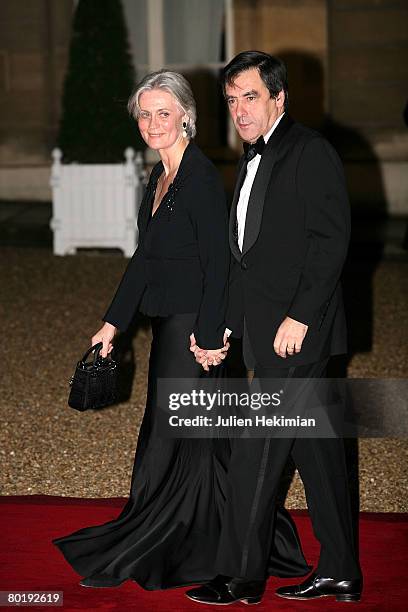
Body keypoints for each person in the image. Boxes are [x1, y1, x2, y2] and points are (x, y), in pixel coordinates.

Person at [52, 70, 309, 590]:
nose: (151, 123)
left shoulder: (198, 179)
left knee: (180, 433)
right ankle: (230, 534)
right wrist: (111, 325)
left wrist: (212, 337)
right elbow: (145, 259)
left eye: (162, 113)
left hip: (195, 328)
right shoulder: (159, 177)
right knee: (199, 437)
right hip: (172, 323)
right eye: (144, 113)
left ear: (185, 116)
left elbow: (219, 266)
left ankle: (177, 540)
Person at [187, 52, 363, 605]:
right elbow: (247, 258)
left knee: (254, 451)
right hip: (265, 329)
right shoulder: (250, 158)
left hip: (298, 334)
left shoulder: (310, 151)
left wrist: (301, 316)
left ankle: (240, 577)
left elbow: (330, 243)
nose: (239, 110)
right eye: (232, 99)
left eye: (251, 97)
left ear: (278, 99)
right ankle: (342, 571)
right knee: (318, 454)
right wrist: (222, 329)